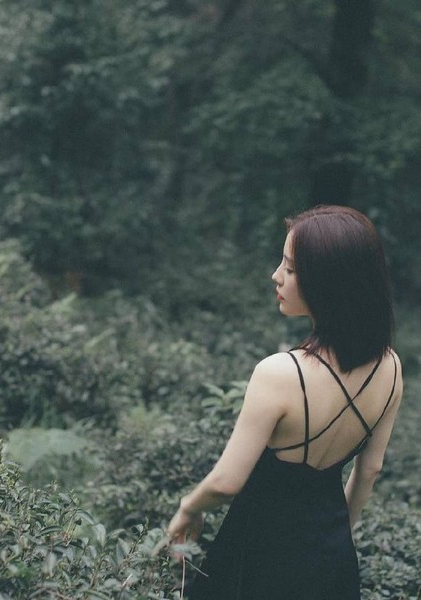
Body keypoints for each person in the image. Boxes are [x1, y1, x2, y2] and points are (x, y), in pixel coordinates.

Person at [167, 204, 403, 599]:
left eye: (290, 269)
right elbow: (370, 470)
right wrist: (331, 541)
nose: (276, 275)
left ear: (327, 282)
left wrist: (189, 508)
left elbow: (226, 482)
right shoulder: (391, 367)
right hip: (333, 565)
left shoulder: (280, 373)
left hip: (257, 558)